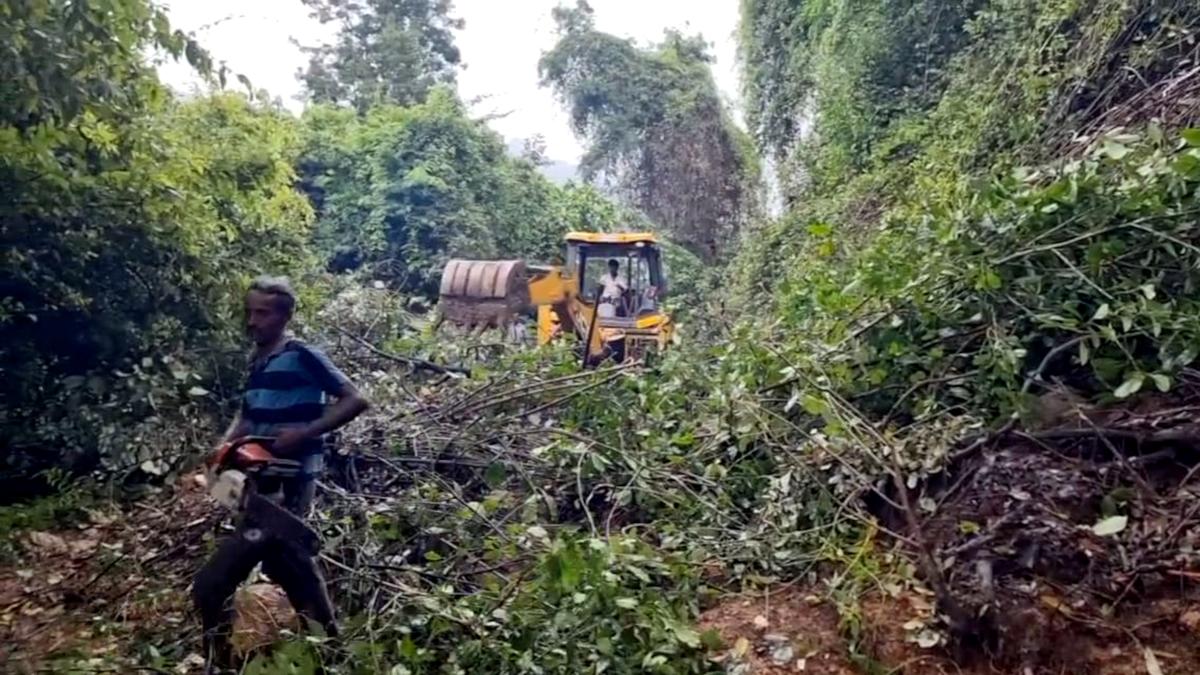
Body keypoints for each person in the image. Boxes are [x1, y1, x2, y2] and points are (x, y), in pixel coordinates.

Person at [193, 276, 369, 672]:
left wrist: (305, 432)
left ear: (285, 316)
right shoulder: (259, 360)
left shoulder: (302, 354)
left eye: (263, 313)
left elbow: (356, 398)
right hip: (257, 487)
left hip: (286, 492)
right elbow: (248, 415)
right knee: (294, 572)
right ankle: (335, 658)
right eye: (249, 312)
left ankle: (219, 666)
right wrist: (222, 450)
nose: (253, 321)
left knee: (210, 585)